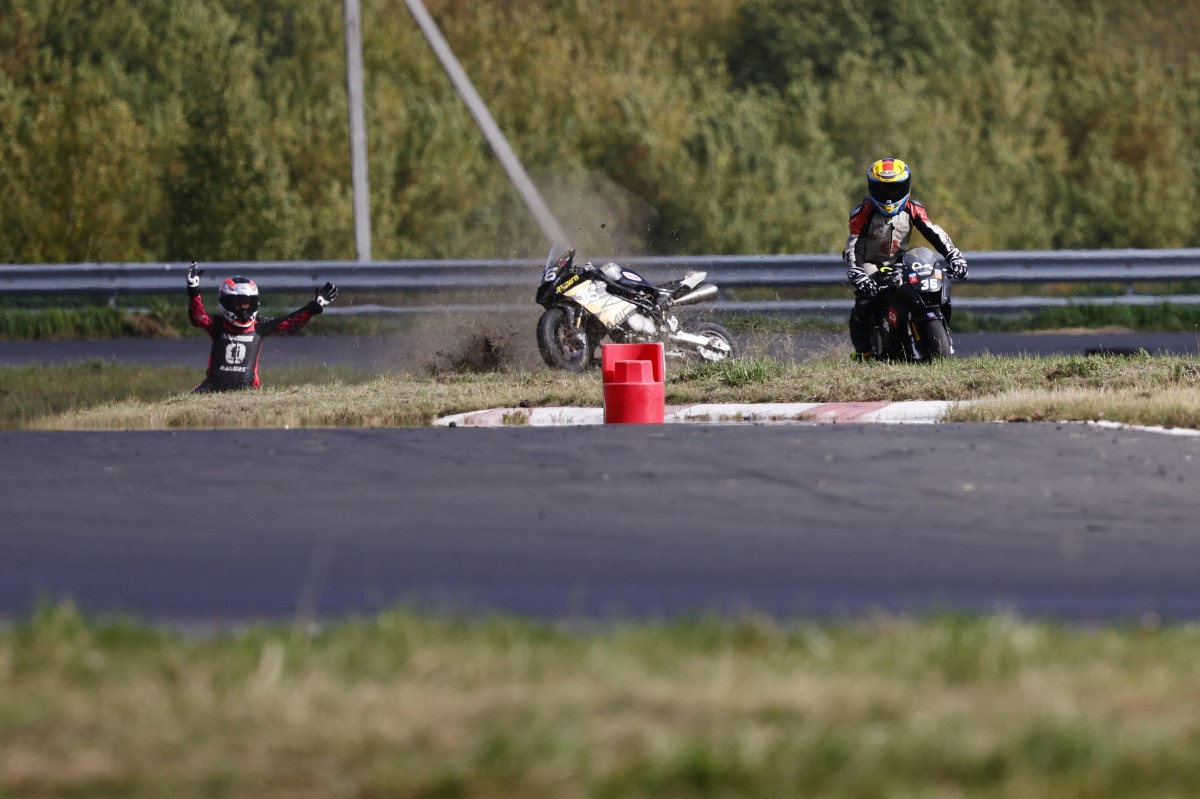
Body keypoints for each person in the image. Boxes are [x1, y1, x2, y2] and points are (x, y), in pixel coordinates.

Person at [843, 157, 969, 360]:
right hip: (869, 263)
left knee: (931, 285)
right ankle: (864, 351)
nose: (889, 197)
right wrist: (857, 272)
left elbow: (933, 232)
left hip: (900, 261)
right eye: (882, 190)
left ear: (907, 186)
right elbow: (854, 244)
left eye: (895, 189)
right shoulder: (863, 213)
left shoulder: (913, 208)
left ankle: (941, 331)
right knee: (866, 301)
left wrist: (954, 256)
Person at [185, 261, 339, 392]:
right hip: (212, 386)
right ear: (226, 302)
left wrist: (313, 307)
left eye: (247, 303)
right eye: (238, 303)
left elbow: (289, 323)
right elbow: (198, 317)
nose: (243, 308)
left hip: (247, 390)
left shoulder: (259, 326)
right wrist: (193, 291)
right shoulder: (218, 324)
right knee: (187, 403)